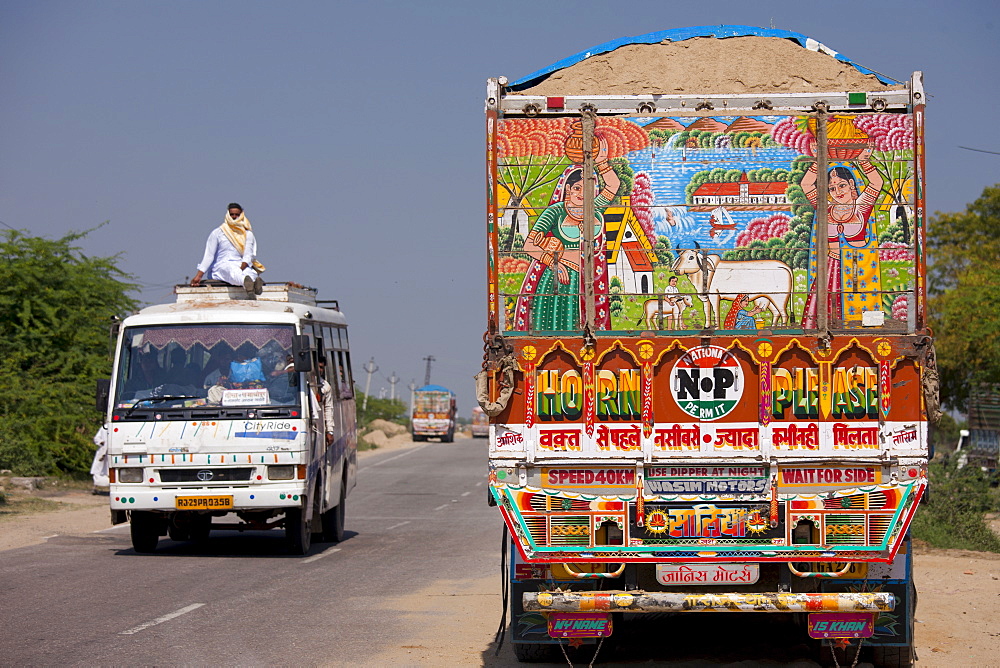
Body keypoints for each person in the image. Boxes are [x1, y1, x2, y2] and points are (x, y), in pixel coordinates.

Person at [513, 135, 620, 331]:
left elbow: (613, 186)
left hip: (588, 285)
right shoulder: (556, 211)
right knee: (556, 326)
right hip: (558, 282)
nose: (581, 193)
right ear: (568, 188)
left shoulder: (594, 208)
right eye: (577, 188)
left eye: (587, 188)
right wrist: (553, 262)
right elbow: (529, 245)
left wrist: (602, 163)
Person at [800, 145, 884, 327]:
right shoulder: (826, 208)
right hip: (830, 269)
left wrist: (864, 162)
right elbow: (806, 184)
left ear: (852, 184)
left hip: (856, 268)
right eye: (831, 188)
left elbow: (877, 183)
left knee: (858, 318)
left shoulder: (861, 207)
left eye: (842, 185)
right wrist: (817, 159)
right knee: (822, 317)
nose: (838, 191)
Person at [190, 203, 266, 299]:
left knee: (250, 273)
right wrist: (199, 276)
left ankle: (252, 285)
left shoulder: (247, 234)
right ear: (228, 215)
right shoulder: (218, 233)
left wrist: (240, 268)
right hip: (221, 266)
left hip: (240, 264)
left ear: (241, 215)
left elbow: (248, 256)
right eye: (232, 214)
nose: (234, 217)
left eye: (237, 215)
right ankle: (248, 285)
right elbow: (209, 255)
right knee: (232, 272)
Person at [90, 423, 109, 493]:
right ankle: (95, 487)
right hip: (102, 451)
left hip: (113, 451)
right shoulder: (104, 427)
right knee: (98, 469)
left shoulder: (118, 426)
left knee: (110, 470)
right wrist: (101, 442)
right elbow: (97, 438)